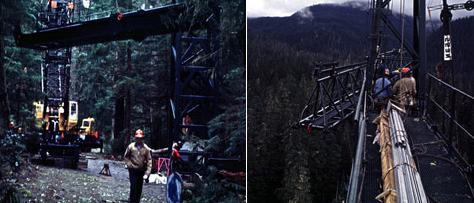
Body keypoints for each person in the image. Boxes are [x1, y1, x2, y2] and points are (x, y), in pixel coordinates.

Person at [124, 129, 152, 203]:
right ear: (135, 138)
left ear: (142, 138)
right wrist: (129, 164)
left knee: (139, 188)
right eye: (137, 138)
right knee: (133, 187)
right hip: (133, 170)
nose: (139, 140)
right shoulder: (131, 146)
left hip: (141, 170)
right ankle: (132, 201)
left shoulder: (146, 148)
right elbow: (126, 156)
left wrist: (147, 173)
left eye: (140, 138)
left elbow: (149, 161)